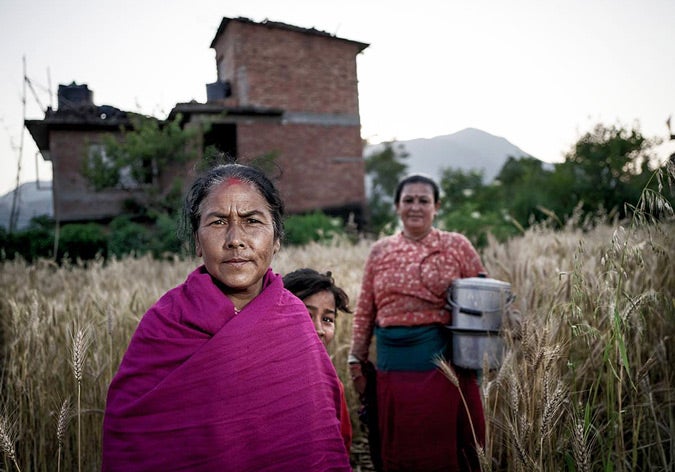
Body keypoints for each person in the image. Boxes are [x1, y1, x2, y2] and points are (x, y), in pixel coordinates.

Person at [102, 163, 351, 471]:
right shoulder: (164, 326)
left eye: (252, 221)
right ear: (196, 241)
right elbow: (131, 440)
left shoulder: (295, 320)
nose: (235, 239)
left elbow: (320, 436)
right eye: (218, 222)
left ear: (276, 240)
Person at [348, 173, 487, 472]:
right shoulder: (380, 251)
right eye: (408, 200)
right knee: (401, 448)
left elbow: (483, 296)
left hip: (445, 366)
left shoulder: (457, 246)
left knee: (445, 450)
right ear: (397, 206)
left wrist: (484, 354)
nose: (415, 207)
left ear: (436, 206)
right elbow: (365, 310)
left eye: (423, 200)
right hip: (393, 365)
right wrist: (355, 358)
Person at [282, 268, 354, 453]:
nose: (318, 328)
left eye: (328, 319)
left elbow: (341, 443)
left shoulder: (332, 386)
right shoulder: (261, 377)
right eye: (306, 314)